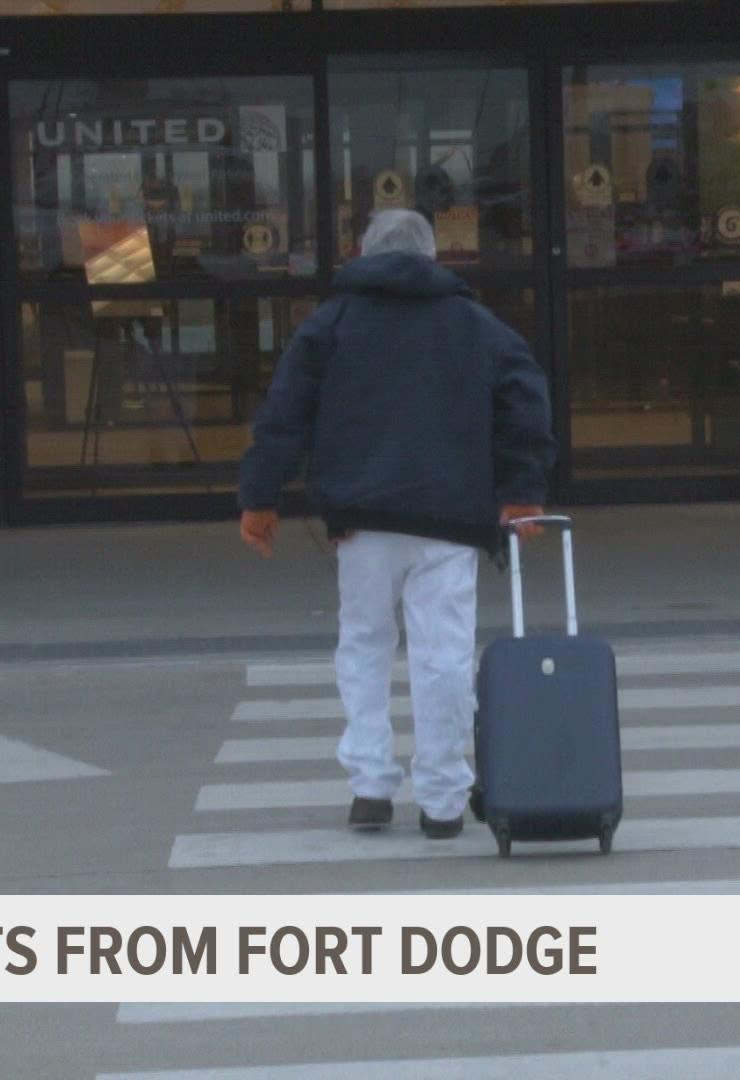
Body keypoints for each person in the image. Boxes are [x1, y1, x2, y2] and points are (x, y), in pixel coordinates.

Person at [236, 208, 556, 840]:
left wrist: (260, 496)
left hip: (361, 520)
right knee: (443, 655)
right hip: (449, 519)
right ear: (434, 255)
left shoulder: (332, 322)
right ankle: (442, 800)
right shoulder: (475, 324)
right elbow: (525, 399)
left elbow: (286, 411)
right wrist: (522, 492)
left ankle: (370, 787)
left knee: (364, 644)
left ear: (364, 252)